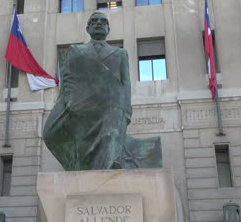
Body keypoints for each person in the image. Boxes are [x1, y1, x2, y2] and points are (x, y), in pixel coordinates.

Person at [43, 12, 162, 171]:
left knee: (110, 130)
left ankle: (110, 162)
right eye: (94, 21)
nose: (98, 23)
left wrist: (126, 110)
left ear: (108, 28)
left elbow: (125, 84)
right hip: (82, 107)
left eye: (103, 21)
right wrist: (69, 103)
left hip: (111, 107)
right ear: (87, 28)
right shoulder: (76, 51)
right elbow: (68, 80)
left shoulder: (120, 54)